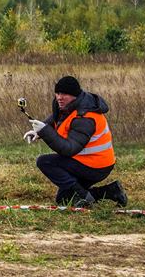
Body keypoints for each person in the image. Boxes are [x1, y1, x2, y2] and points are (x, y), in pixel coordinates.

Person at [24, 76, 127, 208]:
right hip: (85, 161)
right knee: (64, 199)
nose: (59, 97)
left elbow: (69, 149)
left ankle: (83, 195)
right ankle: (112, 191)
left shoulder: (85, 117)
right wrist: (38, 132)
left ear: (75, 96)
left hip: (96, 166)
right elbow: (56, 120)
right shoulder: (67, 106)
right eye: (58, 93)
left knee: (44, 161)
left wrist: (45, 131)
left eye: (64, 94)